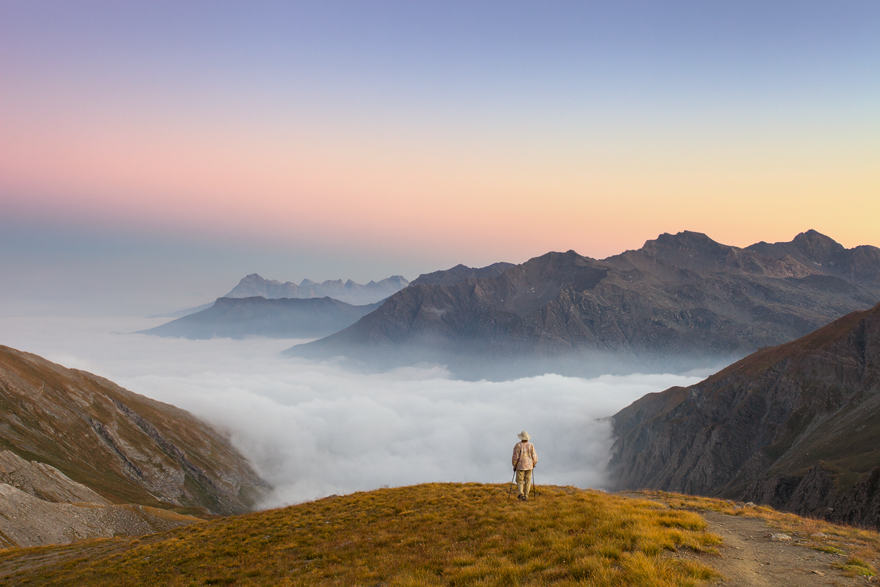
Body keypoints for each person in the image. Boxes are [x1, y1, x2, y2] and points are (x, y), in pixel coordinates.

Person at [512, 430, 537, 501]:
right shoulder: (531, 445)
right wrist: (534, 463)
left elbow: (515, 457)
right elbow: (534, 456)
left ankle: (521, 494)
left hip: (520, 465)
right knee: (528, 481)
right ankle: (526, 495)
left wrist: (514, 465)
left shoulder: (518, 445)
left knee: (519, 480)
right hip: (529, 466)